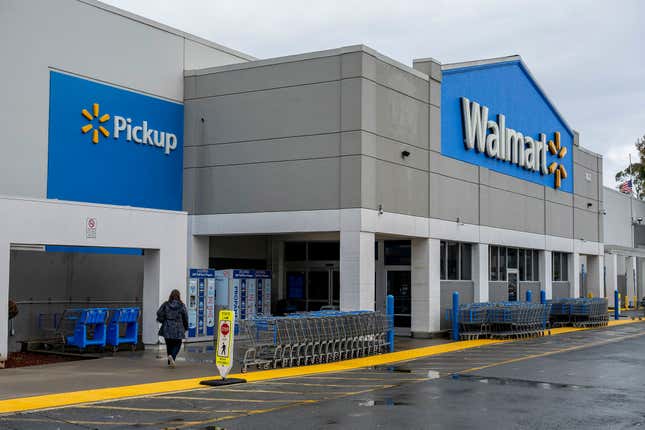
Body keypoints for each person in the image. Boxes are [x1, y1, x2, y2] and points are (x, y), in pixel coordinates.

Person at [156, 289, 188, 368]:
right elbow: (185, 317)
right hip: (178, 327)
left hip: (167, 326)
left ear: (170, 295)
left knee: (169, 344)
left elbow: (159, 312)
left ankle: (170, 359)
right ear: (178, 296)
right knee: (178, 343)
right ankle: (172, 357)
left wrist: (162, 319)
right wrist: (185, 326)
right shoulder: (181, 305)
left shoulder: (166, 304)